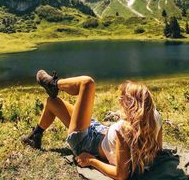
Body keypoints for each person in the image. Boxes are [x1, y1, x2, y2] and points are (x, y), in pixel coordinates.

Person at [22, 70, 162, 180]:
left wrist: (91, 160)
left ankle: (54, 84)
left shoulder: (123, 130)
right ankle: (36, 135)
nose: (119, 100)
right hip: (100, 132)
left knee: (87, 83)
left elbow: (121, 175)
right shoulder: (155, 117)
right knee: (52, 102)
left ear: (131, 104)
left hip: (86, 143)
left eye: (123, 98)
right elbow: (159, 150)